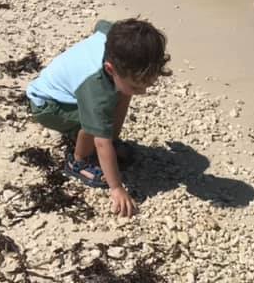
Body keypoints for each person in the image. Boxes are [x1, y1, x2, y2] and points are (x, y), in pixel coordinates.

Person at [25, 18, 170, 217]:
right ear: (110, 69)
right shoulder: (96, 90)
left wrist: (112, 134)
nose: (143, 92)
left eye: (147, 85)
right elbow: (101, 142)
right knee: (95, 124)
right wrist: (117, 188)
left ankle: (112, 137)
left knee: (120, 96)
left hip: (72, 91)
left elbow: (101, 24)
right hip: (48, 105)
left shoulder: (113, 37)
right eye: (137, 86)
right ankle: (78, 161)